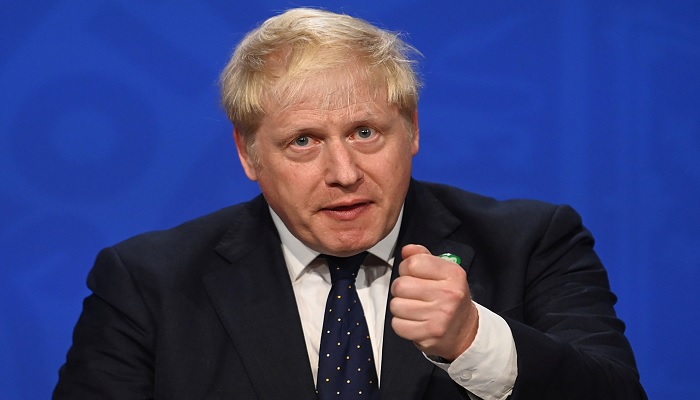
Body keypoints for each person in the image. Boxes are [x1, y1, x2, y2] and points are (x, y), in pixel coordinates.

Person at [53, 7, 647, 400]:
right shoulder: (147, 282)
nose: (344, 173)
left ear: (411, 129)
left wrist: (472, 338)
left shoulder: (534, 242)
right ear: (249, 154)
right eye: (303, 141)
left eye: (366, 132)